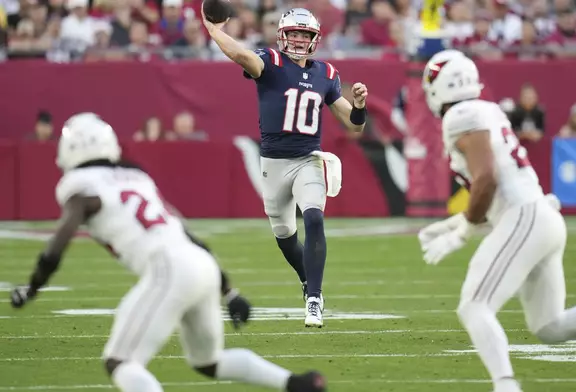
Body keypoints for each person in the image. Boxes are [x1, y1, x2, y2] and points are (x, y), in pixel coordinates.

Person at [8, 113, 327, 392]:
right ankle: (297, 384)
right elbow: (187, 233)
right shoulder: (136, 177)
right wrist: (229, 291)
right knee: (208, 362)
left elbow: (61, 238)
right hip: (201, 266)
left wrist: (33, 286)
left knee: (120, 362)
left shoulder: (79, 184)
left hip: (168, 268)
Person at [418, 51, 576, 392]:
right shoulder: (487, 110)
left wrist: (463, 230)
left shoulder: (462, 114)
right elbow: (496, 189)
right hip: (541, 216)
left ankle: (506, 386)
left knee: (474, 306)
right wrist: (458, 222)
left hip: (525, 217)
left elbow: (487, 179)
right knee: (550, 326)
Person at [201, 7, 368, 327]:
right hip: (274, 163)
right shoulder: (271, 62)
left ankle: (315, 298)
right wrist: (215, 31)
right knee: (284, 234)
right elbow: (241, 55)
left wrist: (359, 106)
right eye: (293, 33)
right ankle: (307, 281)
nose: (298, 40)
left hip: (308, 159)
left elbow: (354, 124)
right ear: (282, 35)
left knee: (314, 217)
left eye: (304, 35)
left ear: (314, 40)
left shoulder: (326, 73)